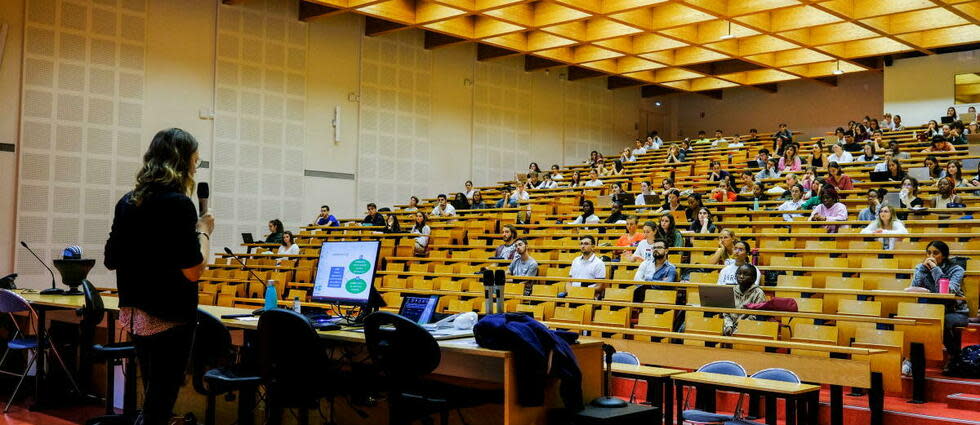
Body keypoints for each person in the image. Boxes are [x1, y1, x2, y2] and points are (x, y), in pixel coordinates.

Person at [104, 128, 211, 425]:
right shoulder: (178, 204)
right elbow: (193, 271)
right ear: (182, 162)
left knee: (154, 393)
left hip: (135, 312)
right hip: (169, 316)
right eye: (195, 160)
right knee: (160, 401)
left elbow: (110, 259)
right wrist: (203, 230)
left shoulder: (127, 202)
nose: (195, 165)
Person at [905, 241, 968, 373]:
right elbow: (914, 287)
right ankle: (910, 359)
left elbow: (948, 291)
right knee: (909, 319)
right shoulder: (920, 267)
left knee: (940, 321)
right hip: (930, 309)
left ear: (944, 255)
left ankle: (953, 355)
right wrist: (922, 270)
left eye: (935, 253)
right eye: (928, 253)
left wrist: (935, 269)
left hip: (955, 311)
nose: (931, 256)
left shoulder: (956, 269)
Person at [722, 263, 768, 336]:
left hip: (748, 328)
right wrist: (729, 325)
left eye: (746, 274)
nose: (741, 276)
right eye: (739, 274)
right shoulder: (731, 291)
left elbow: (756, 316)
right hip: (730, 327)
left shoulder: (758, 293)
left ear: (754, 278)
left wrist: (739, 327)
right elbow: (726, 313)